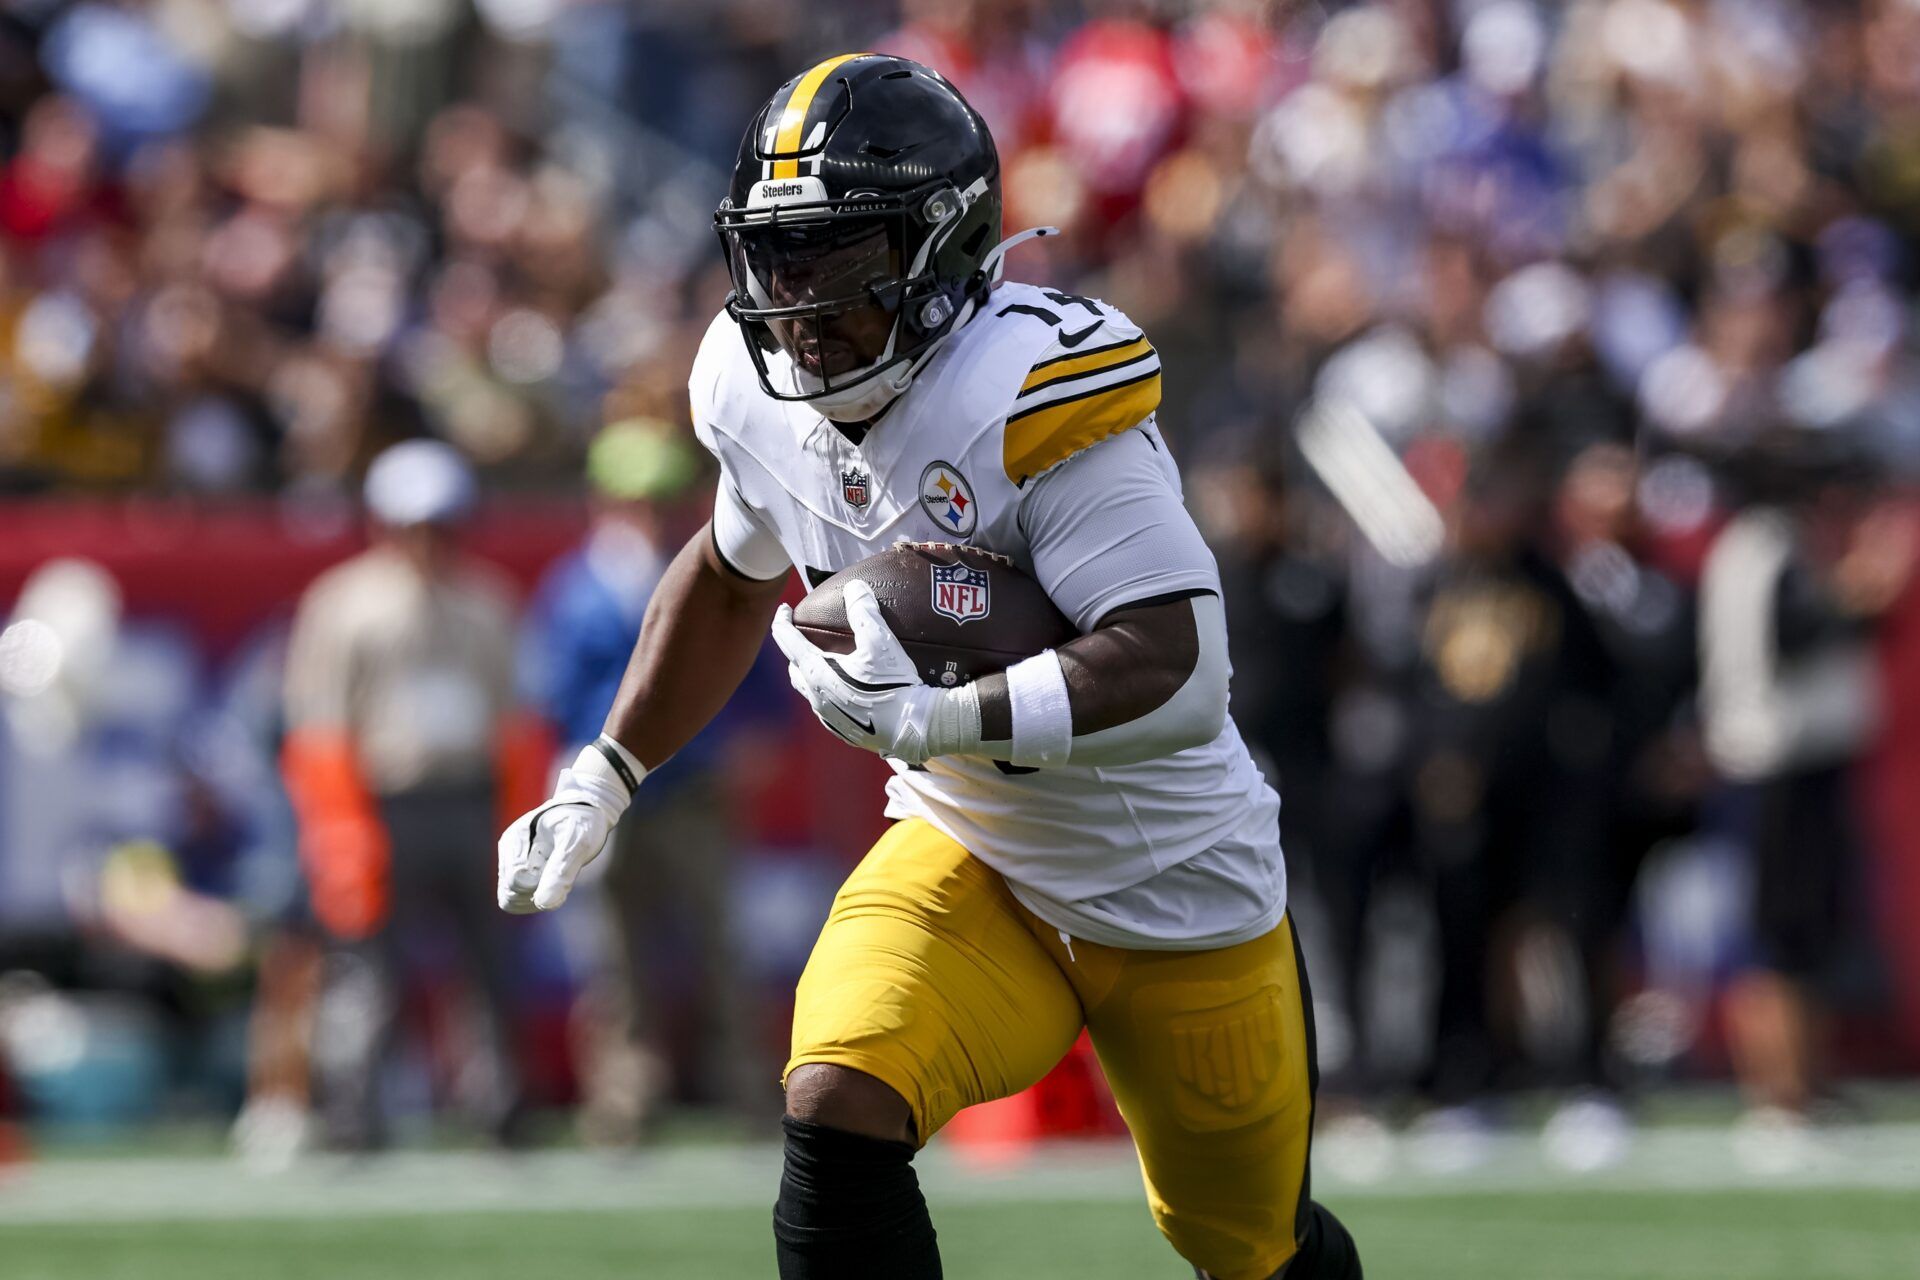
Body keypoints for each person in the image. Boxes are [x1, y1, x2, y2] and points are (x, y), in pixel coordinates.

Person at [498, 56, 1360, 1280]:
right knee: (838, 1092)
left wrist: (951, 714)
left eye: (840, 254)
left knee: (1243, 1241)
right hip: (974, 845)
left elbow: (1182, 664)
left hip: (1172, 881)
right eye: (776, 255)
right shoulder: (750, 388)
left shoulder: (1028, 387)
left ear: (942, 246)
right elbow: (732, 567)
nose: (796, 300)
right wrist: (607, 769)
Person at [519, 418, 767, 1142]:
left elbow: (750, 671)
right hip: (612, 805)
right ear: (604, 501)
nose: (650, 515)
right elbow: (556, 698)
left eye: (663, 498)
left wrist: (747, 741)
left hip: (693, 793)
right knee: (612, 960)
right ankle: (624, 1099)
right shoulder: (575, 592)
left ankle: (748, 1090)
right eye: (635, 499)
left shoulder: (716, 574)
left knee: (723, 947)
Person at [282, 439, 533, 1151]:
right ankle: (353, 1115)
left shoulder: (487, 603)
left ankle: (500, 1108)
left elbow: (516, 722)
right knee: (366, 971)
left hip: (470, 801)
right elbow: (319, 728)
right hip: (383, 802)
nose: (428, 541)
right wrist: (340, 830)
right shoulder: (343, 605)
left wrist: (516, 816)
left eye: (442, 524)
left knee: (489, 967)